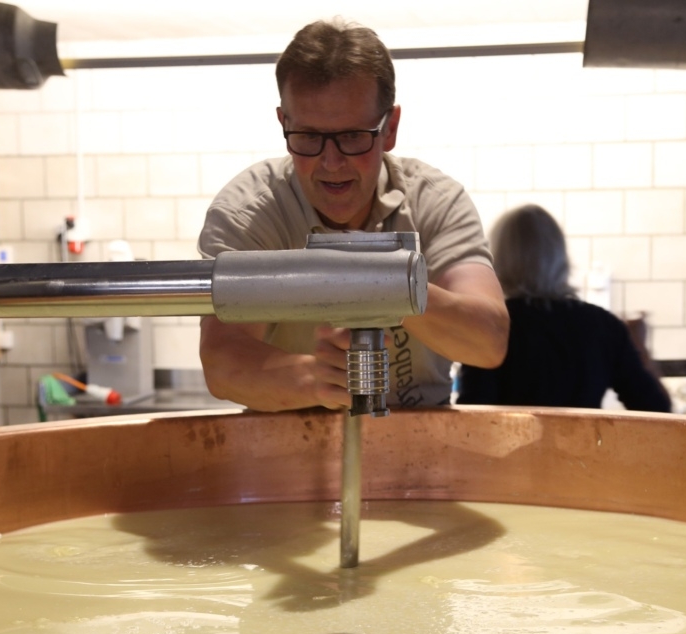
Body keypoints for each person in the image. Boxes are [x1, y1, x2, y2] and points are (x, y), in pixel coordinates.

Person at [197, 19, 508, 412]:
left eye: (352, 136)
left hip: (422, 440)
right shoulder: (250, 213)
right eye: (309, 136)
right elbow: (222, 363)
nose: (331, 162)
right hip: (289, 443)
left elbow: (488, 340)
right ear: (284, 124)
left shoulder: (435, 202)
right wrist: (313, 380)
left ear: (390, 128)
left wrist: (383, 285)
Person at [457, 205, 671, 412]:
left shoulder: (490, 327)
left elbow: (471, 415)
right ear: (560, 258)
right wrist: (639, 346)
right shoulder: (603, 326)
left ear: (498, 259)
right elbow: (657, 409)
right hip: (584, 439)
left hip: (508, 439)